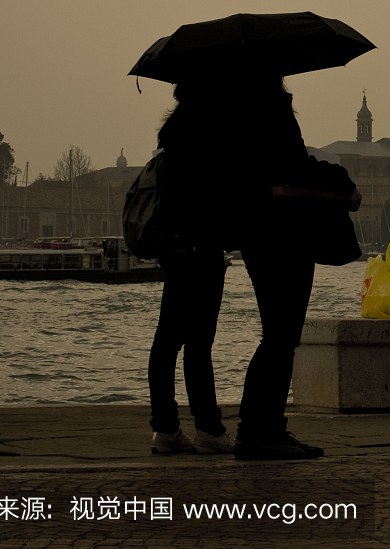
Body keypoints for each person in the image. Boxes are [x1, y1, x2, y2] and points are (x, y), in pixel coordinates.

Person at [148, 74, 361, 459]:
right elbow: (293, 165)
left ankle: (235, 429)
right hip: (282, 232)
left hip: (243, 237)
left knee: (263, 336)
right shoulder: (270, 111)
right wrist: (342, 182)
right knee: (280, 337)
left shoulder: (222, 121)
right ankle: (258, 431)